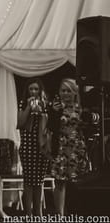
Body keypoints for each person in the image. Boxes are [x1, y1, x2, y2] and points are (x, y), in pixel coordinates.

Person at [48, 78, 88, 216]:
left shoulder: (80, 108)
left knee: (74, 181)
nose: (65, 93)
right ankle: (60, 215)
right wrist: (53, 112)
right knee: (59, 181)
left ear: (74, 93)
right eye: (63, 90)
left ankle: (72, 212)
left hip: (76, 148)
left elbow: (85, 128)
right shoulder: (56, 108)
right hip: (61, 148)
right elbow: (51, 128)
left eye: (68, 91)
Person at [16, 78, 50, 216]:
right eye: (31, 89)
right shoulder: (23, 103)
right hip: (27, 144)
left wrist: (42, 110)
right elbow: (20, 123)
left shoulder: (46, 104)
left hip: (41, 144)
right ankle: (28, 212)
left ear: (40, 90)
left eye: (36, 89)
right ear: (28, 91)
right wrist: (29, 107)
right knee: (29, 180)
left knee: (39, 179)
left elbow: (49, 124)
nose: (34, 91)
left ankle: (38, 211)